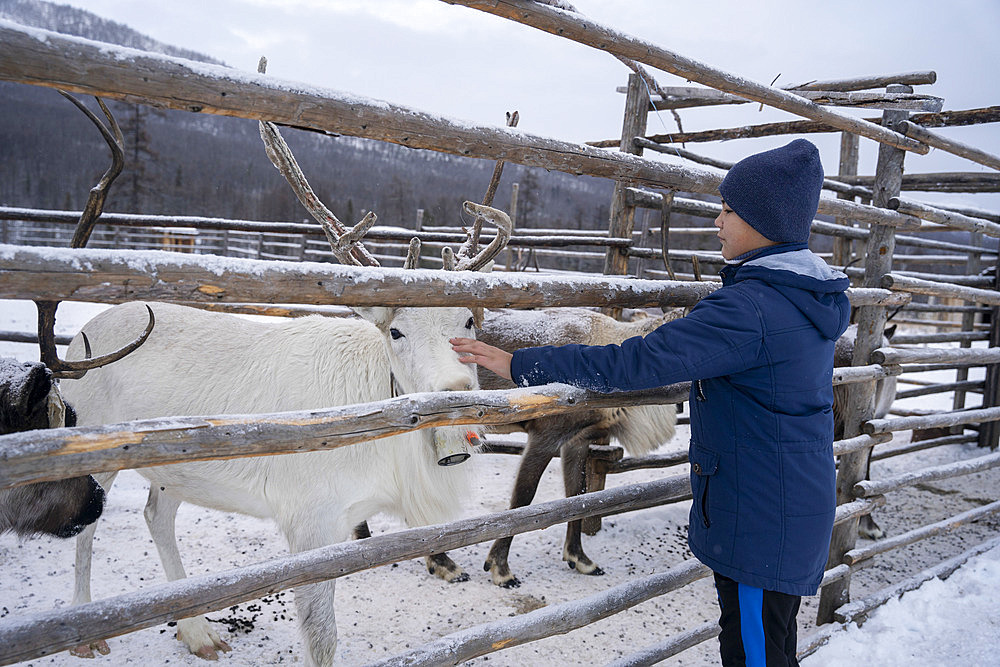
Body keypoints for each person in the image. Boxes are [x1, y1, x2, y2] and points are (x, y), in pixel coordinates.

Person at [451, 138, 850, 667]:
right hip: (785, 503)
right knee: (770, 642)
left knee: (755, 651)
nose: (717, 221)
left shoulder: (750, 310)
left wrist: (515, 365)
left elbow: (630, 362)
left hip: (759, 515)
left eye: (729, 210)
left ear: (764, 221)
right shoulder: (807, 298)